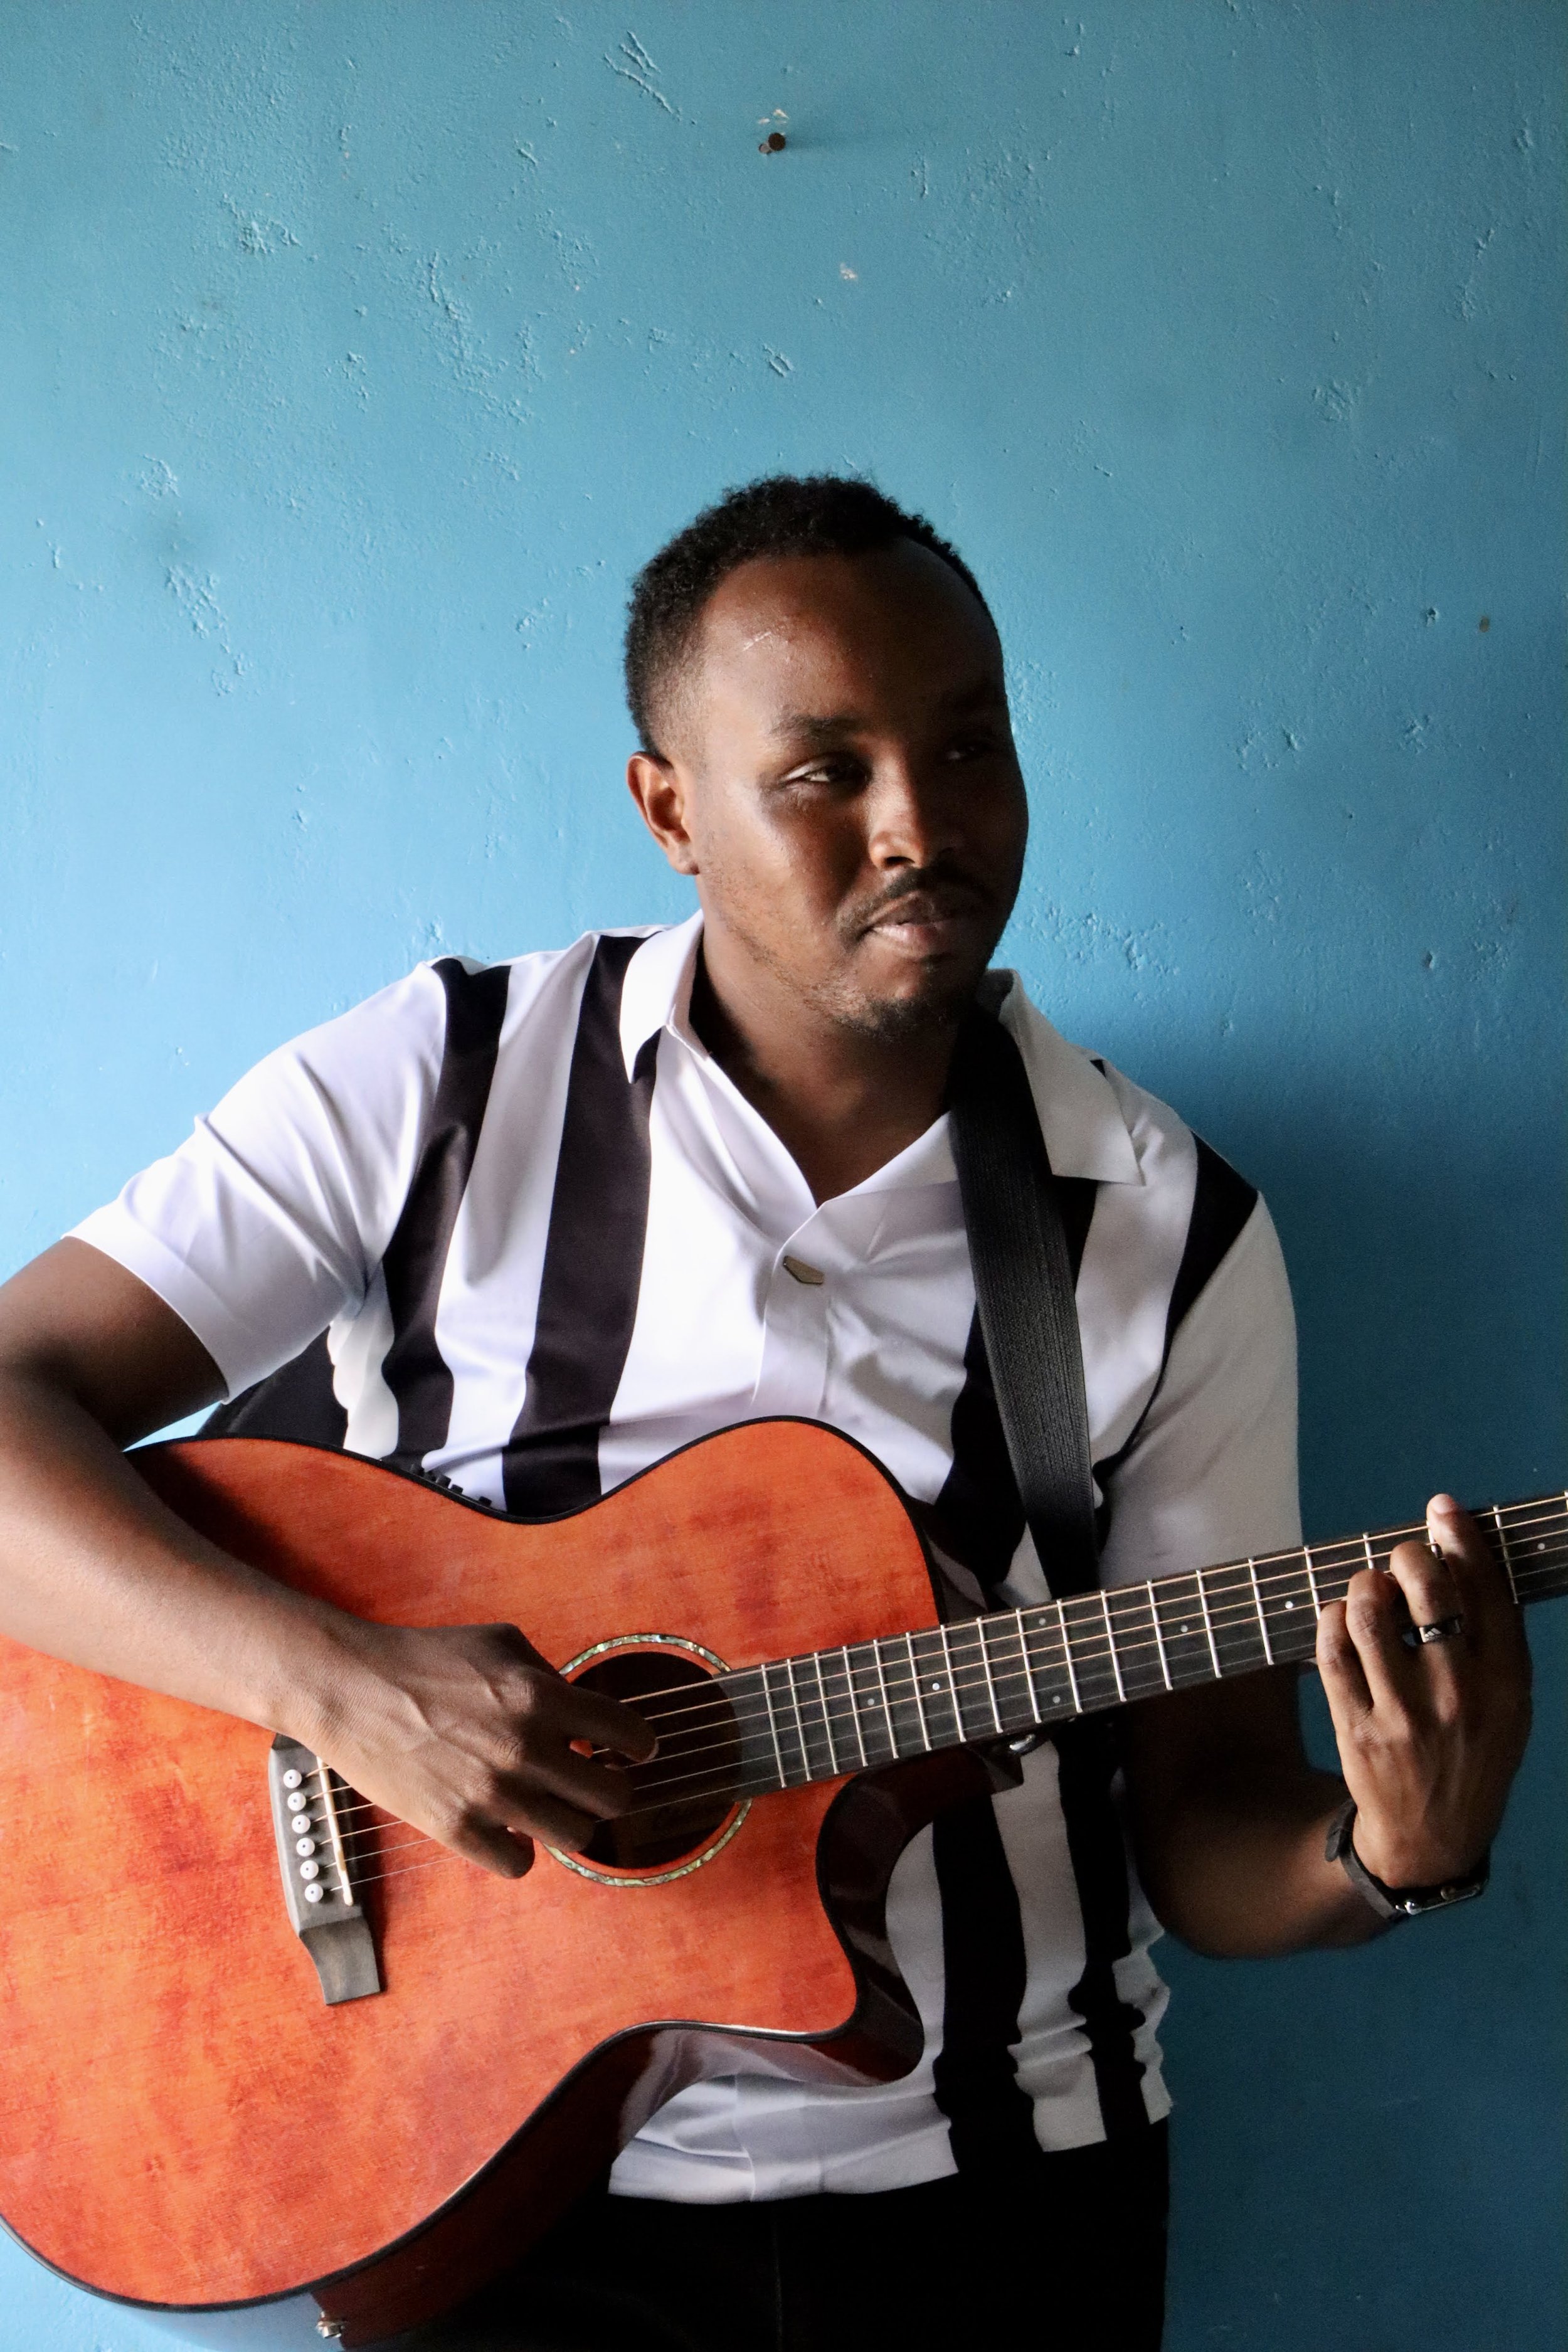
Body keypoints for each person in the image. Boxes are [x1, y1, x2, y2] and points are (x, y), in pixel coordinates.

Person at [0, 477, 1531, 2352]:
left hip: (1001, 2202)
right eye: (827, 769)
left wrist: (1386, 1857)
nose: (920, 822)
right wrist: (340, 1690)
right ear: (669, 809)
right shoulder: (443, 1084)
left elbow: (1203, 1816)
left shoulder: (1166, 1228)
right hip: (488, 2197)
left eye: (967, 745)